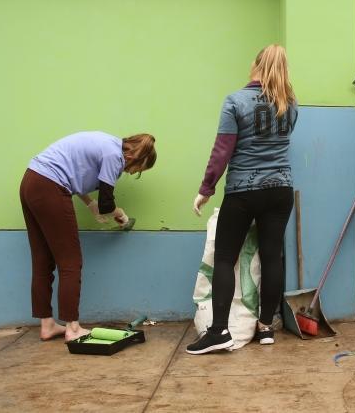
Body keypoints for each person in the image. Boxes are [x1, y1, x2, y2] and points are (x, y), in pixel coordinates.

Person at [185, 44, 298, 354]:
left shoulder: (235, 101)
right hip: (280, 189)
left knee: (225, 257)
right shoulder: (290, 103)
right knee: (272, 256)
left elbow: (222, 151)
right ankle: (265, 328)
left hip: (243, 191)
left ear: (255, 65)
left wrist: (206, 189)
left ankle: (219, 331)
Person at [20, 131, 157, 342]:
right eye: (139, 169)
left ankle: (47, 325)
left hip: (31, 180)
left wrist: (89, 204)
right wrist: (118, 213)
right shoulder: (114, 156)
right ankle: (72, 328)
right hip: (50, 187)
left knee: (43, 259)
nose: (133, 172)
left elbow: (74, 177)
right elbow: (107, 203)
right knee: (71, 262)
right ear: (136, 158)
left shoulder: (107, 144)